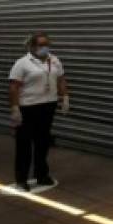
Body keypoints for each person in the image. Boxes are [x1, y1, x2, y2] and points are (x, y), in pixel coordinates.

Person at [9, 32, 70, 191]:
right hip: (28, 107)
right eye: (41, 45)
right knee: (24, 144)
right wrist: (15, 108)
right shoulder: (22, 63)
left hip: (48, 106)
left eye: (46, 44)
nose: (44, 47)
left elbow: (61, 79)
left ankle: (42, 175)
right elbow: (14, 87)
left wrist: (65, 97)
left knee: (43, 142)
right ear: (32, 46)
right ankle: (21, 179)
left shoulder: (55, 60)